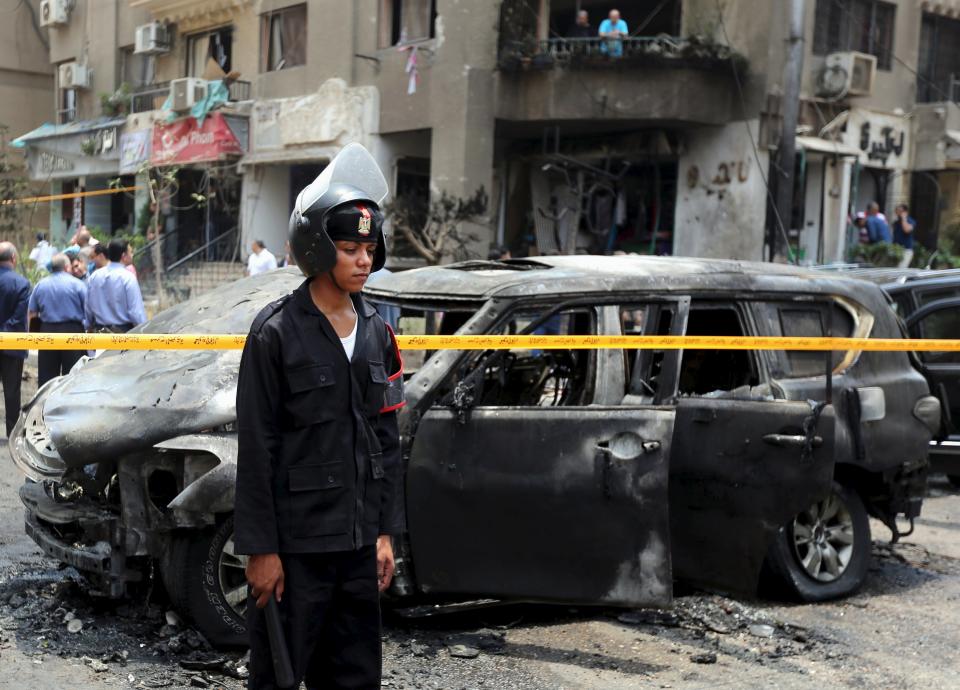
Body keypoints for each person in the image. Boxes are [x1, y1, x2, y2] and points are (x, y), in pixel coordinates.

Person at [236, 143, 404, 690]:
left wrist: (384, 534)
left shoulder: (378, 331)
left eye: (369, 247)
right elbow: (257, 450)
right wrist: (261, 551)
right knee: (278, 679)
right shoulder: (276, 333)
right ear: (316, 247)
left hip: (357, 552)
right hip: (295, 553)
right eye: (350, 247)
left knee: (356, 680)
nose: (362, 259)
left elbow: (385, 441)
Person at [27, 253, 87, 387]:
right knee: (73, 376)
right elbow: (88, 310)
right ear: (67, 267)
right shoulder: (78, 285)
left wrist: (34, 335)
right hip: (73, 332)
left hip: (47, 332)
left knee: (47, 377)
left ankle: (46, 405)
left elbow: (32, 312)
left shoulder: (40, 285)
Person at [0, 242, 31, 436]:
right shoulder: (21, 283)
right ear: (13, 258)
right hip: (12, 344)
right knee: (12, 392)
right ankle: (12, 433)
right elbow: (19, 318)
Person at [85, 239, 147, 332]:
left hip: (99, 333)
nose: (132, 255)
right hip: (123, 332)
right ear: (124, 256)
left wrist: (88, 326)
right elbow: (136, 313)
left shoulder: (94, 276)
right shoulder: (128, 277)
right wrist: (144, 332)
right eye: (130, 252)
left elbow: (88, 308)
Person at [893, 203, 917, 268]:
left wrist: (904, 218)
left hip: (906, 250)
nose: (897, 212)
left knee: (901, 270)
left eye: (899, 211)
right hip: (897, 250)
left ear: (905, 212)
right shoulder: (896, 222)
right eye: (896, 210)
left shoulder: (910, 221)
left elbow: (906, 230)